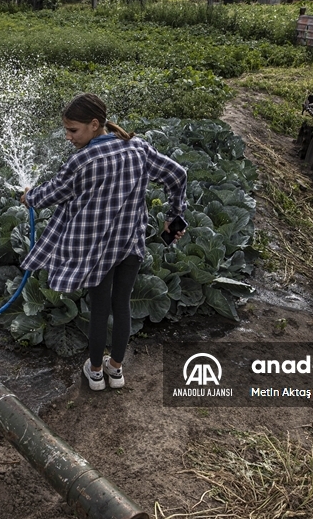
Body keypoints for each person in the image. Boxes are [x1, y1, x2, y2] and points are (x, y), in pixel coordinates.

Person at [20, 94, 188, 391]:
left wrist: (28, 196)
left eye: (73, 130)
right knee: (121, 305)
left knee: (99, 309)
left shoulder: (82, 160)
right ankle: (116, 370)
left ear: (94, 124)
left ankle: (95, 372)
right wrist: (174, 216)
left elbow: (51, 195)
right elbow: (178, 174)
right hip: (131, 244)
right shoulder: (138, 147)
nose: (68, 137)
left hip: (97, 250)